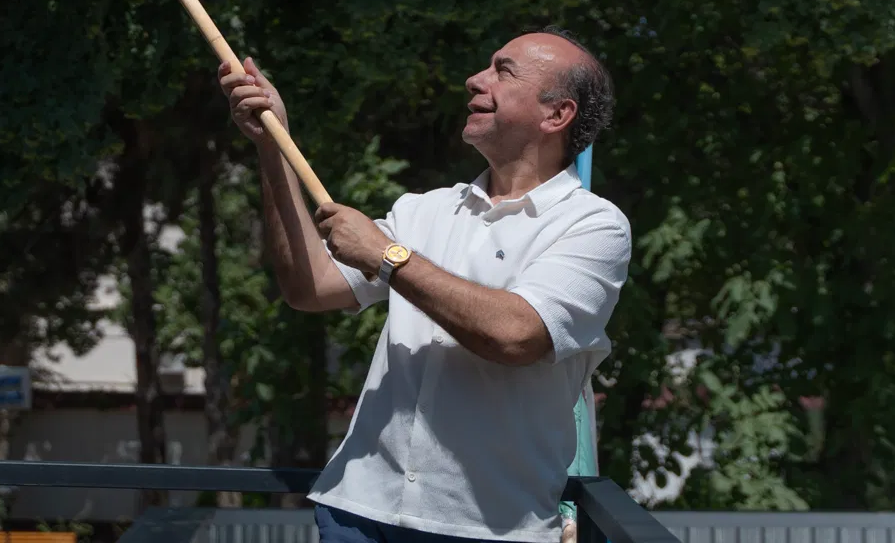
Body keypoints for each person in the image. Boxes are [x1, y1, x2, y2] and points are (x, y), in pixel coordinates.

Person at [219, 29, 630, 543]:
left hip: (490, 529)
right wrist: (272, 148)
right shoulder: (424, 210)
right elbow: (311, 287)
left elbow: (518, 334)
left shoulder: (594, 226)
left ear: (556, 115)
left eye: (503, 71)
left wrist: (386, 257)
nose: (474, 80)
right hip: (357, 510)